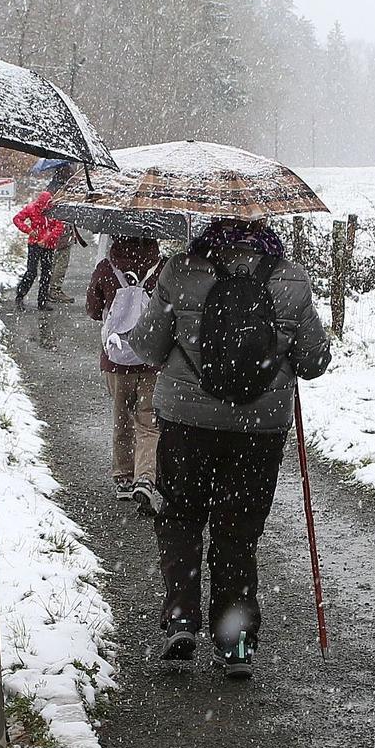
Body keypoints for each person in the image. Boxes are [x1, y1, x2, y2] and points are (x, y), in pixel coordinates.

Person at [127, 218, 332, 676]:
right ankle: (235, 641)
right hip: (260, 427)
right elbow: (314, 361)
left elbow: (147, 348)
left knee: (180, 518)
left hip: (186, 421)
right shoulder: (291, 277)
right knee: (237, 531)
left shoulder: (180, 270)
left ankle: (181, 621)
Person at [86, 235, 166, 513]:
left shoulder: (107, 268)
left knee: (122, 418)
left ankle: (123, 477)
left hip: (116, 359)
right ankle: (146, 477)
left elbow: (93, 311)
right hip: (152, 359)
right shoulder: (163, 268)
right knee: (148, 422)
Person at [12, 189, 66, 310]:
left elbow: (59, 227)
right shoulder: (32, 208)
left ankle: (42, 301)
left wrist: (46, 239)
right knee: (31, 272)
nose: (45, 210)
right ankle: (20, 296)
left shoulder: (54, 210)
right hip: (34, 245)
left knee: (46, 273)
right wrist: (29, 230)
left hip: (48, 246)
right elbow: (17, 219)